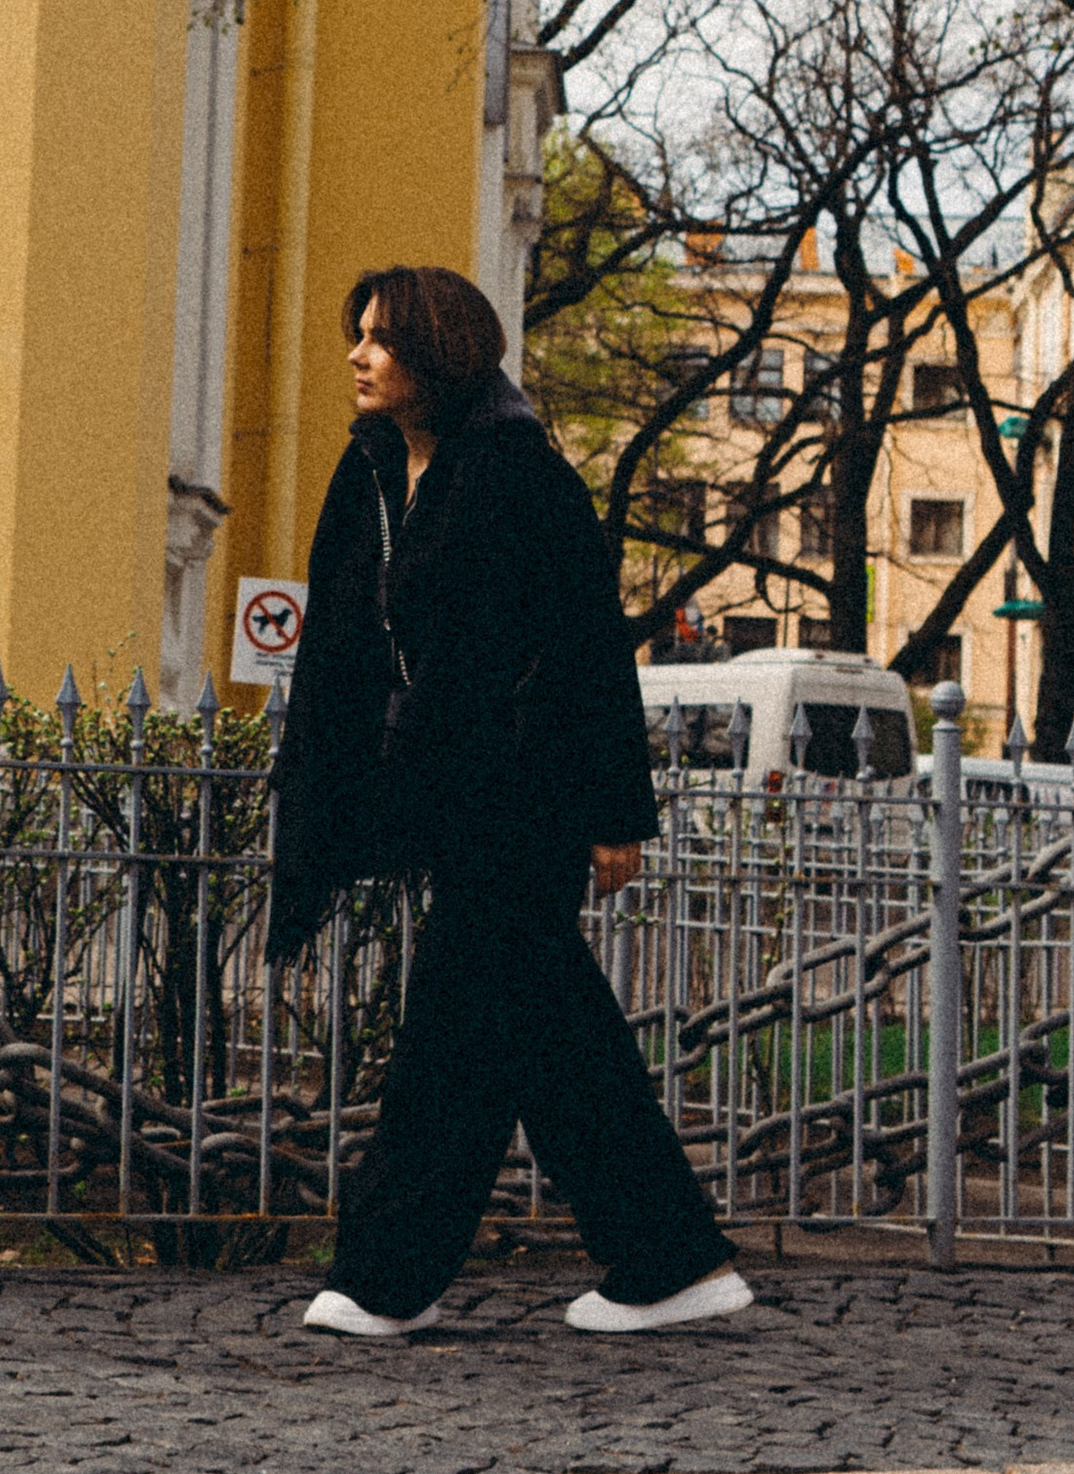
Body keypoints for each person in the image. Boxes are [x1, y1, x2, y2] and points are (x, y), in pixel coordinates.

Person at [269, 262, 750, 1339]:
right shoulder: (373, 470)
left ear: (437, 351)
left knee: (454, 1027)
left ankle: (388, 1279)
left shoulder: (519, 474)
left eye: (380, 339)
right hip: (441, 795)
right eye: (357, 336)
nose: (356, 355)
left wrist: (614, 810)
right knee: (543, 1027)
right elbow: (340, 644)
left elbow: (586, 645)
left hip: (524, 795)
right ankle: (669, 1256)